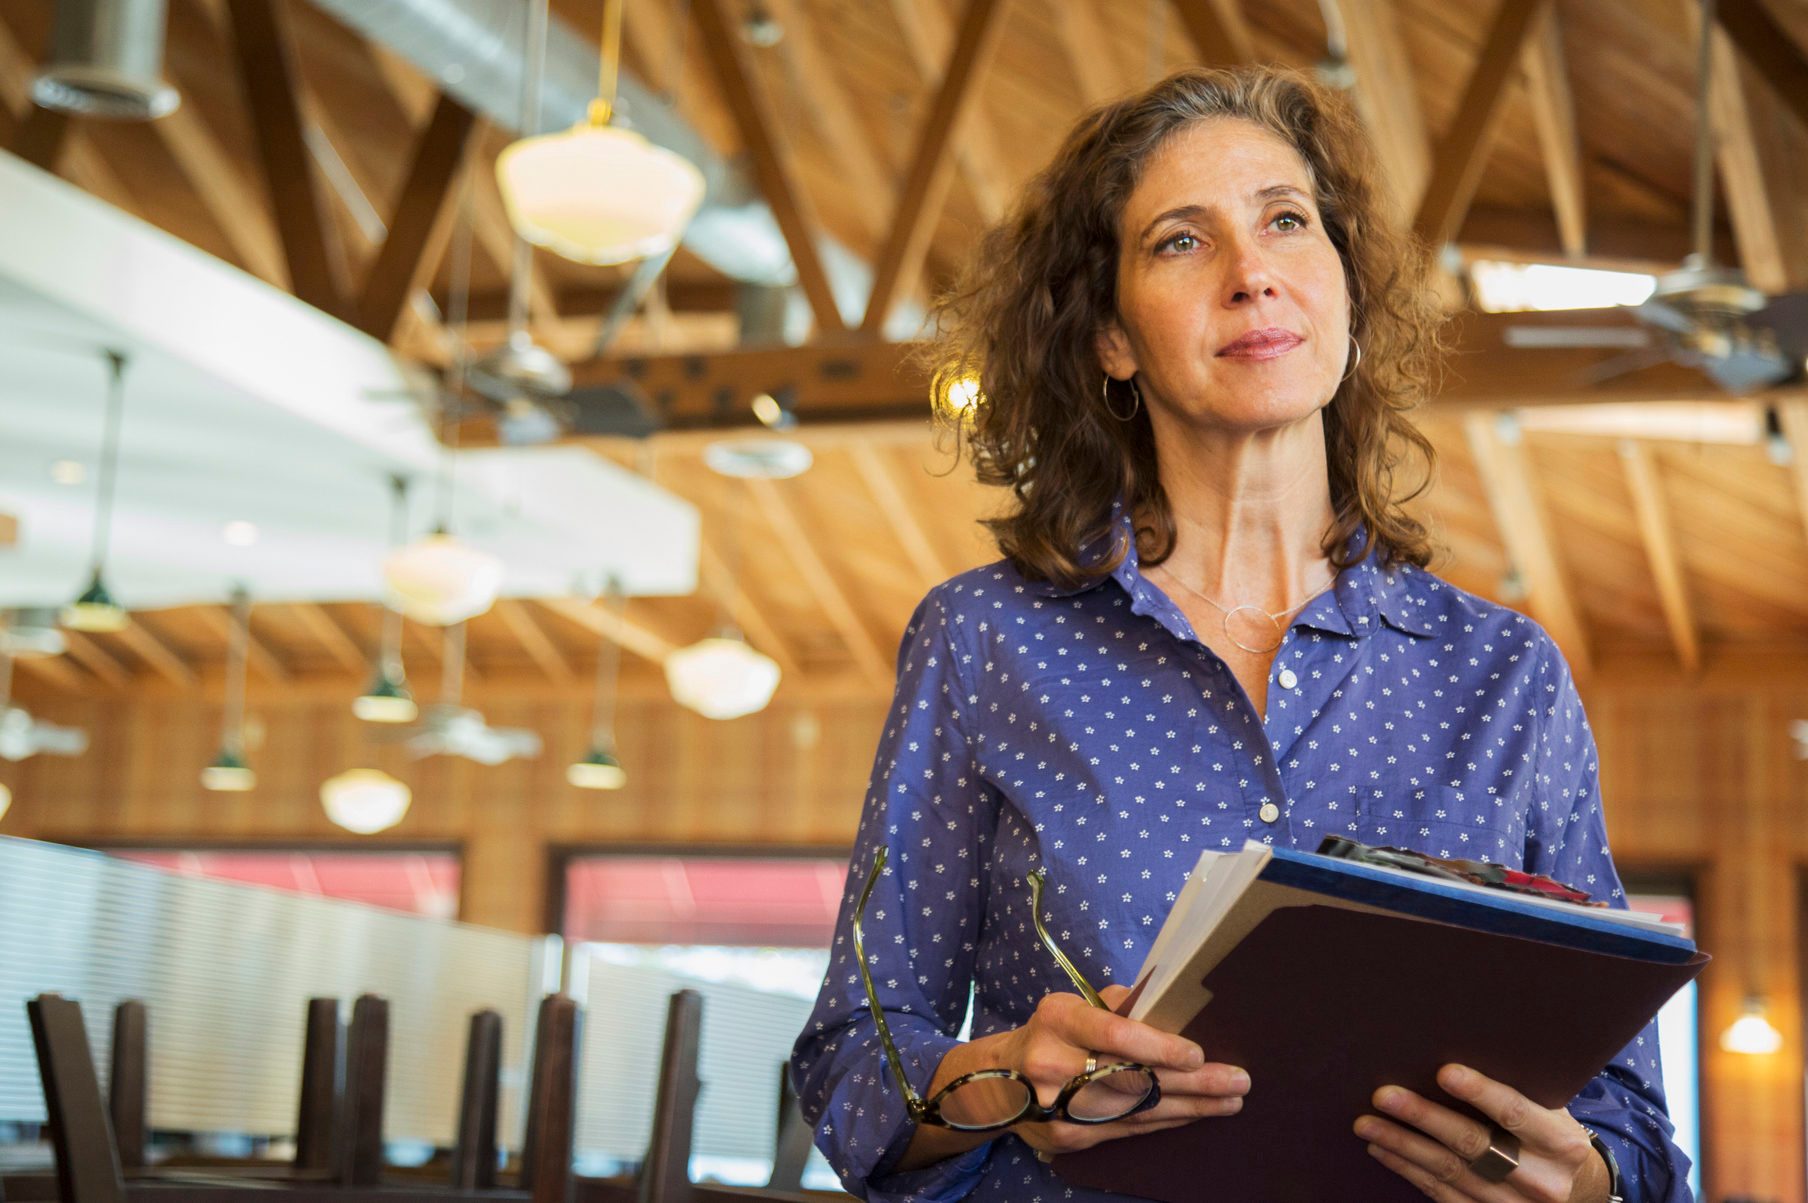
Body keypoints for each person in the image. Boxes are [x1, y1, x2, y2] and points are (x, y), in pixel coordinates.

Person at [791, 66, 1689, 1203]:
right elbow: (851, 1061)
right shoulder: (984, 641)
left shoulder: (1504, 675)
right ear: (1111, 336)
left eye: (1284, 221)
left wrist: (1584, 1179)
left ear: (1345, 294)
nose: (1251, 273)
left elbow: (1635, 1125)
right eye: (1178, 241)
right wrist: (1004, 1079)